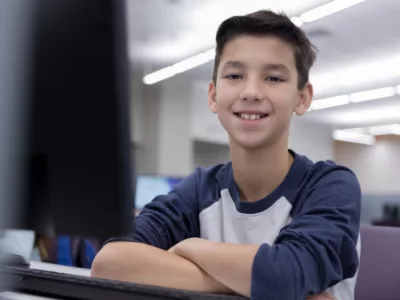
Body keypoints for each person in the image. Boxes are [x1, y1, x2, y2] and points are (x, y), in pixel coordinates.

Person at [91, 10, 361, 300]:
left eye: (273, 78)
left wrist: (190, 247)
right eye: (234, 75)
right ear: (213, 95)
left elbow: (288, 274)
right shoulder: (199, 189)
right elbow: (111, 262)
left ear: (303, 97)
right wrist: (253, 288)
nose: (251, 91)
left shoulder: (331, 186)